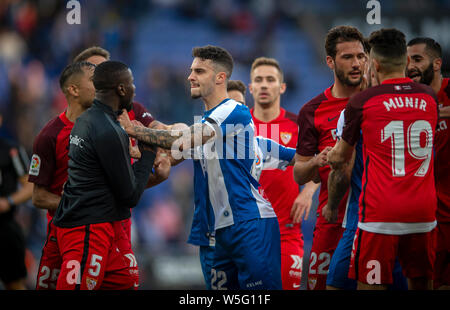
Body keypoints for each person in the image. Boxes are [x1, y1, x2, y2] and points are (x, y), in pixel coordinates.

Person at [119, 45, 282, 289]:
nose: (190, 76)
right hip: (218, 232)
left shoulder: (232, 111)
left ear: (220, 77)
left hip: (249, 224)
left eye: (199, 71)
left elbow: (181, 141)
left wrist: (135, 129)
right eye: (191, 70)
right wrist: (142, 153)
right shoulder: (205, 122)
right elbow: (171, 152)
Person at [31, 47, 169, 290]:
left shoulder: (122, 113)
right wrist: (149, 148)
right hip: (81, 228)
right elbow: (39, 196)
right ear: (74, 87)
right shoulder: (57, 134)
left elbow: (164, 134)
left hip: (112, 227)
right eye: (95, 76)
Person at [327, 28, 438, 290]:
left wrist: (331, 154)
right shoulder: (429, 98)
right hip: (423, 211)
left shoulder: (362, 102)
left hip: (380, 214)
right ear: (407, 61)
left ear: (373, 64)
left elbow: (341, 157)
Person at [294, 25, 366, 290]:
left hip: (373, 219)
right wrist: (316, 161)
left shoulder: (378, 100)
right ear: (330, 61)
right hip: (331, 219)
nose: (356, 63)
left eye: (361, 56)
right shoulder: (312, 110)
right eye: (348, 57)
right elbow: (299, 173)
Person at [248, 57, 319, 290]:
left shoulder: (298, 125)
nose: (264, 85)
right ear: (250, 87)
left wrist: (308, 192)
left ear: (282, 87)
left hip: (287, 232)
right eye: (258, 80)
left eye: (270, 80)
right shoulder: (240, 128)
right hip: (248, 235)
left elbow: (318, 163)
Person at [406, 37, 450, 290]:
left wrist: (434, 111)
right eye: (407, 60)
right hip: (420, 215)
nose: (410, 65)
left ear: (436, 64)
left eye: (417, 59)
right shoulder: (405, 100)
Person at [0, 111, 33, 290]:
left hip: (5, 227)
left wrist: (9, 201)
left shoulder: (11, 151)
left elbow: (30, 186)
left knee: (15, 283)